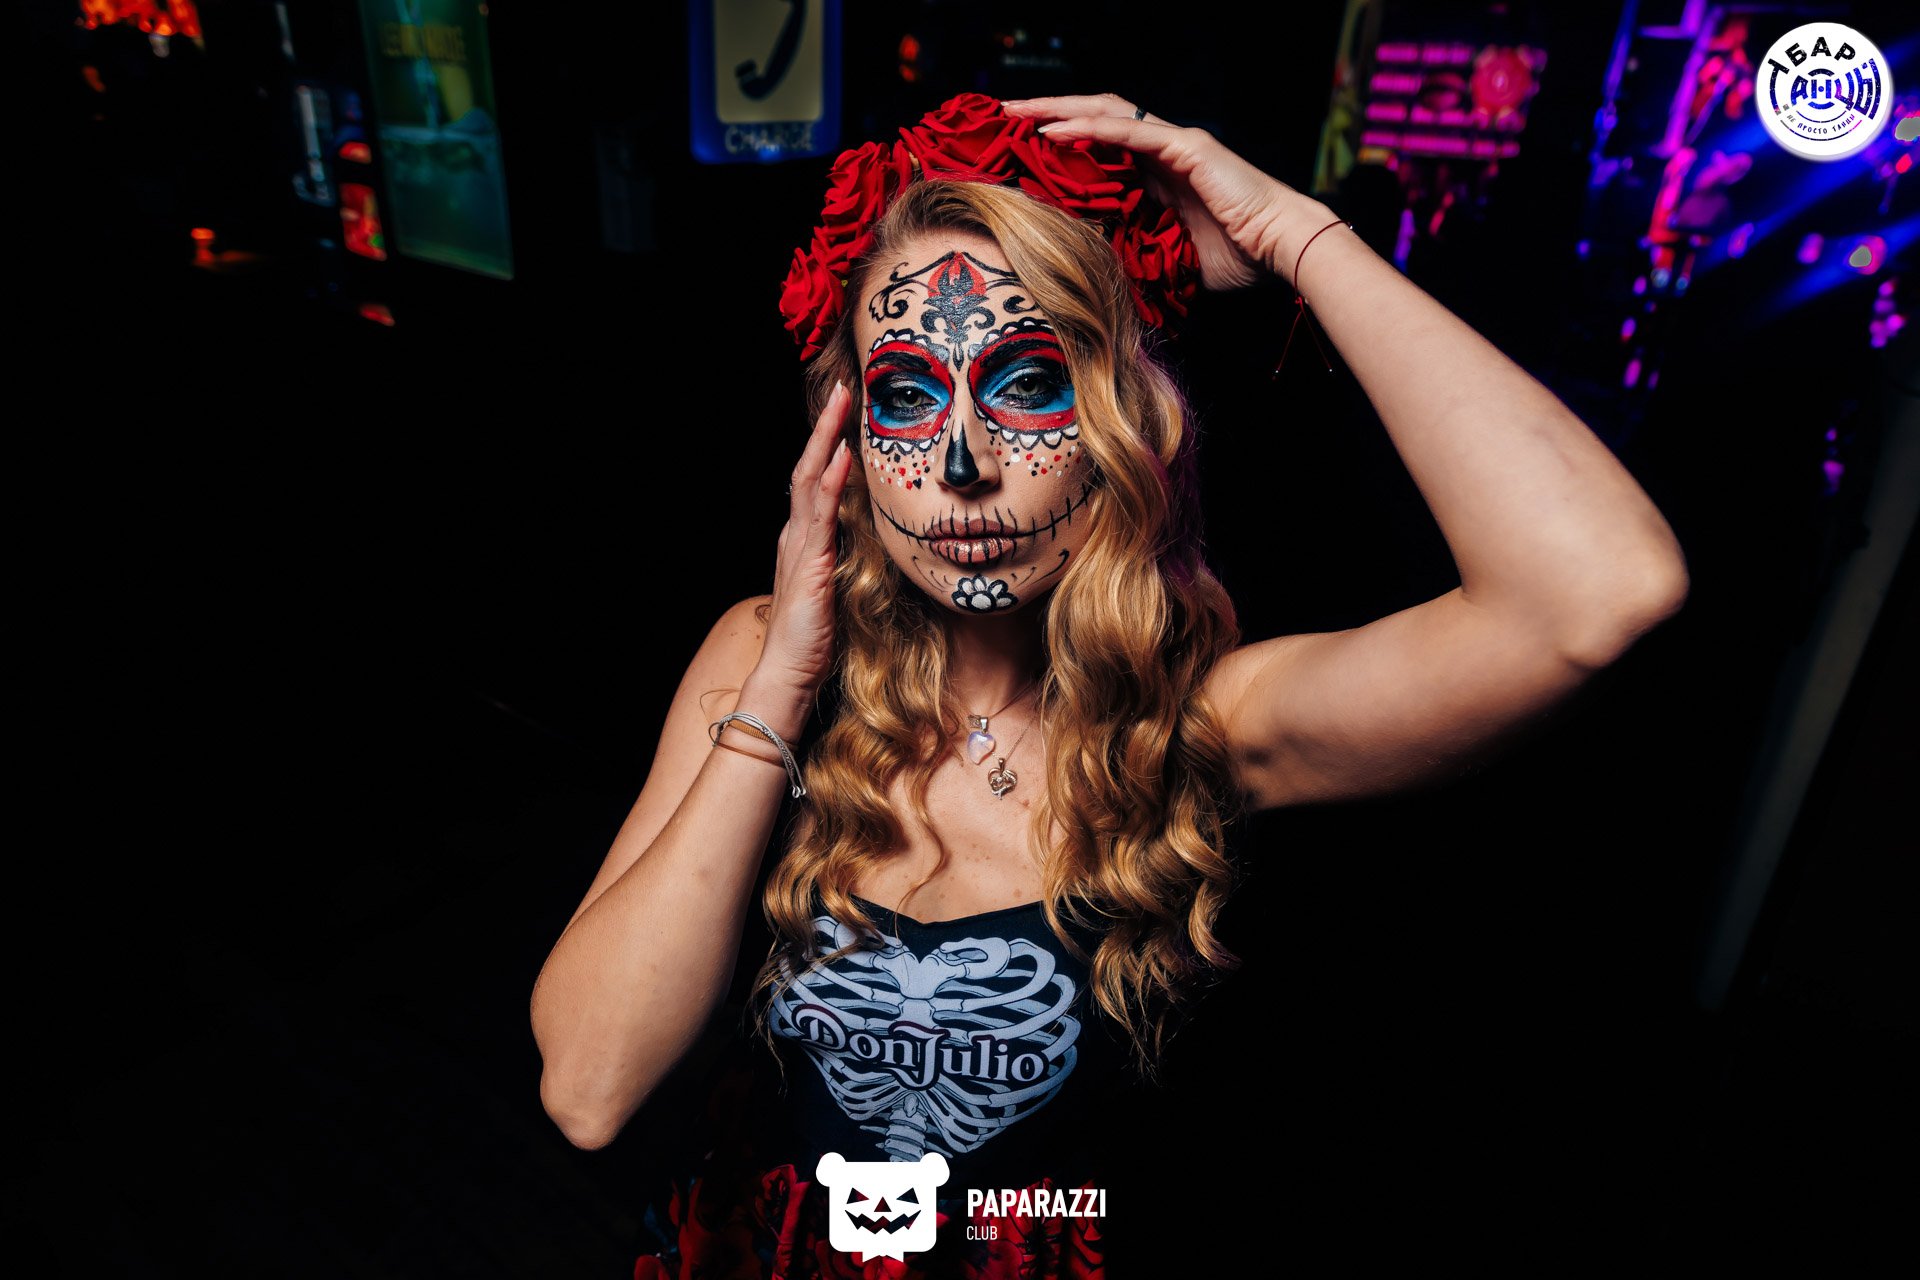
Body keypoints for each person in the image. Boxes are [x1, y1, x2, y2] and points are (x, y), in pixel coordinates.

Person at [530, 93, 1688, 1279]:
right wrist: (781, 684)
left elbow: (1599, 592)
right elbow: (589, 1085)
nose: (963, 462)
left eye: (1028, 383)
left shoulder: (1204, 719)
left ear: (1118, 418)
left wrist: (1300, 237)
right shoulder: (759, 659)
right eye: (909, 395)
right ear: (849, 438)